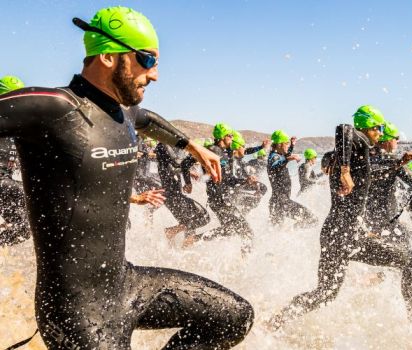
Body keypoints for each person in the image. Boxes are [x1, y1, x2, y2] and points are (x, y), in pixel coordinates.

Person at [1, 7, 253, 349]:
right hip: (76, 311)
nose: (155, 75)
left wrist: (192, 145)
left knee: (233, 315)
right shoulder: (55, 107)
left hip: (124, 282)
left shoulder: (124, 113)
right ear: (107, 56)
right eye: (147, 60)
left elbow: (147, 119)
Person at [270, 105, 412, 328]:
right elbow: (343, 128)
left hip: (336, 233)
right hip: (346, 235)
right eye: (378, 128)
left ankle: (276, 321)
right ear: (369, 127)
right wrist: (344, 172)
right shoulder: (356, 142)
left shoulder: (352, 154)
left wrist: (397, 164)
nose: (380, 134)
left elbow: (372, 170)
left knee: (325, 293)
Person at [183, 124, 255, 252]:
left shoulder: (225, 154)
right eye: (230, 135)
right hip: (218, 199)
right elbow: (185, 163)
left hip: (223, 198)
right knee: (247, 232)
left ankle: (194, 239)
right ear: (222, 136)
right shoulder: (211, 149)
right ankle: (245, 262)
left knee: (230, 230)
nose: (232, 138)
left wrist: (245, 180)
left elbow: (227, 179)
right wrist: (188, 182)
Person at [364, 121, 412, 244]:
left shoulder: (364, 157)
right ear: (388, 140)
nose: (397, 142)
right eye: (396, 138)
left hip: (367, 222)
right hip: (388, 224)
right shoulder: (392, 161)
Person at [155, 141, 210, 246]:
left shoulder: (166, 146)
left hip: (173, 194)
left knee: (190, 225)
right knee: (204, 217)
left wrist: (188, 171)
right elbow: (176, 163)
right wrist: (197, 157)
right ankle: (170, 232)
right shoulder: (163, 145)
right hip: (171, 195)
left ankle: (180, 254)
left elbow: (172, 165)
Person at [0, 75, 30, 245]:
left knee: (24, 229)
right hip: (3, 184)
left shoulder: (21, 128)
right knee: (26, 191)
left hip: (5, 187)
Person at [267, 130, 318, 227]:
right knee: (312, 219)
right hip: (281, 202)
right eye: (286, 143)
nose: (288, 145)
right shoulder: (273, 157)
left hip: (278, 202)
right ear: (279, 144)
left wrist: (292, 145)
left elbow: (285, 154)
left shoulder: (278, 154)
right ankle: (292, 231)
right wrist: (290, 158)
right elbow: (275, 164)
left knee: (276, 232)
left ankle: (288, 235)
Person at [230, 131, 267, 215]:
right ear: (237, 147)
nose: (245, 149)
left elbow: (248, 151)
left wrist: (250, 177)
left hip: (239, 185)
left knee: (262, 188)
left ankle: (244, 212)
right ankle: (241, 213)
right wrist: (246, 179)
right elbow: (230, 179)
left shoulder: (240, 159)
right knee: (259, 192)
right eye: (243, 147)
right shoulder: (231, 160)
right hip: (233, 190)